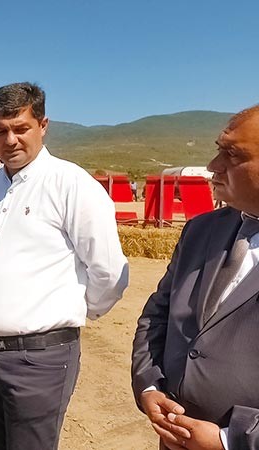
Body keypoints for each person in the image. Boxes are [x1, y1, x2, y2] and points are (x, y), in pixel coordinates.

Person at [0, 82, 128, 450]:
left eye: (21, 128)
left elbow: (109, 272)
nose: (10, 140)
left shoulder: (72, 185)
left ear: (43, 125)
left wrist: (69, 312)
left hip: (38, 359)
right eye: (0, 131)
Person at [131, 105, 259, 450]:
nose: (213, 165)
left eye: (232, 154)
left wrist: (230, 440)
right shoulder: (200, 231)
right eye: (219, 149)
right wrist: (149, 385)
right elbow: (157, 314)